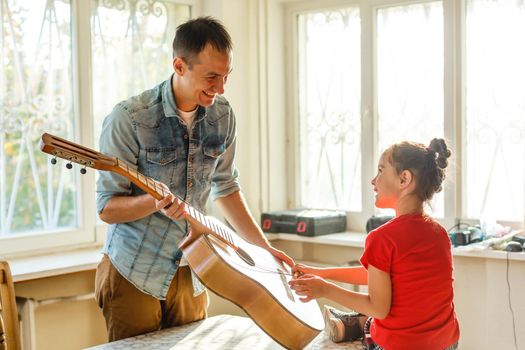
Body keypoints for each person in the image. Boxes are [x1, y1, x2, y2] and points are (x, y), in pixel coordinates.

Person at [94, 16, 293, 341]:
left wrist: (265, 250)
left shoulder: (222, 115)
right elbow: (107, 208)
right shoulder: (129, 118)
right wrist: (151, 202)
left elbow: (226, 187)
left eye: (226, 76)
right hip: (133, 272)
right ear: (179, 65)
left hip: (195, 270)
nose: (221, 88)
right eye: (211, 76)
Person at [289, 138, 460, 350]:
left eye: (380, 171)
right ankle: (353, 323)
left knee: (372, 319)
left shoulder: (383, 238)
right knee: (372, 319)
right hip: (446, 343)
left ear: (404, 179)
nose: (373, 181)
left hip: (400, 346)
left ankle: (352, 324)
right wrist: (322, 273)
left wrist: (325, 289)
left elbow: (378, 308)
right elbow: (381, 275)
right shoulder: (440, 234)